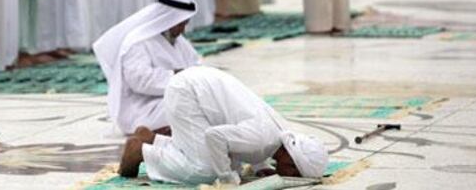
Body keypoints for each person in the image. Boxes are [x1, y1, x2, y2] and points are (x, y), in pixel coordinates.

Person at [118, 66, 328, 185]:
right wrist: (226, 178)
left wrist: (260, 166)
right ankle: (139, 151)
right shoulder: (261, 137)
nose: (286, 175)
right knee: (206, 171)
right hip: (186, 92)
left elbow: (251, 142)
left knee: (230, 162)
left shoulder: (279, 133)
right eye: (293, 173)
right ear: (291, 162)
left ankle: (151, 139)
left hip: (198, 88)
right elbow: (214, 137)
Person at [93, 0, 201, 135]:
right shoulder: (138, 42)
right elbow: (139, 80)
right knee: (189, 108)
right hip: (141, 109)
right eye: (180, 24)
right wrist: (178, 76)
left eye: (185, 24)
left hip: (167, 99)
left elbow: (195, 65)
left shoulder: (180, 42)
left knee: (206, 103)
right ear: (168, 20)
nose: (183, 30)